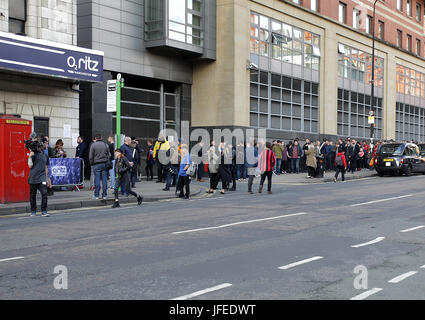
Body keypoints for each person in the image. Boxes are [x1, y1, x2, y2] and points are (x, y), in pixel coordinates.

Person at [28, 140, 50, 217]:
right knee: (32, 196)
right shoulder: (33, 155)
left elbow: (46, 167)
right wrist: (30, 156)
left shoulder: (45, 155)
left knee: (44, 194)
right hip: (33, 178)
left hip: (42, 178)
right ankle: (33, 211)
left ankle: (44, 211)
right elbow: (30, 166)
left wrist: (47, 179)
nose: (39, 148)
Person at [89, 134, 111, 200]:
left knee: (97, 179)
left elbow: (90, 156)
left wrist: (91, 163)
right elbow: (109, 155)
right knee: (104, 180)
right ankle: (104, 195)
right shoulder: (105, 145)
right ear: (101, 138)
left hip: (96, 164)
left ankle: (96, 195)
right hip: (104, 164)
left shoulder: (93, 145)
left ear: (95, 138)